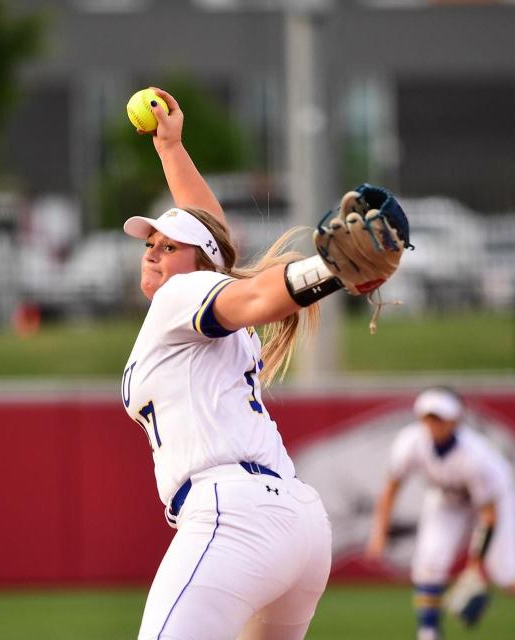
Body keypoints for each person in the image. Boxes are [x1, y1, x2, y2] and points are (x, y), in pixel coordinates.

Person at [121, 86, 400, 640]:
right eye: (150, 239)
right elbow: (214, 241)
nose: (153, 247)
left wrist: (328, 268)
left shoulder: (184, 297)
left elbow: (247, 294)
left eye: (168, 244)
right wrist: (171, 149)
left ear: (196, 265)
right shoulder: (201, 299)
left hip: (233, 517)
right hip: (296, 522)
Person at [365, 387, 515, 640]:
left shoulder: (476, 456)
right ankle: (428, 633)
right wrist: (379, 531)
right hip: (448, 498)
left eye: (438, 418)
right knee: (428, 563)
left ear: (454, 420)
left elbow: (488, 515)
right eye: (428, 417)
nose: (432, 424)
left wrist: (475, 568)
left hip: (496, 500)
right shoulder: (410, 443)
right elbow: (390, 489)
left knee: (507, 573)